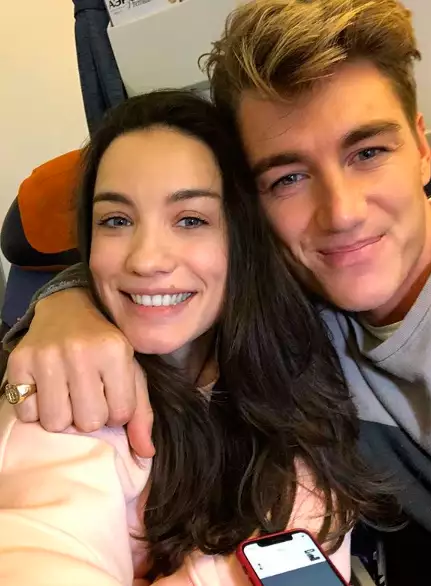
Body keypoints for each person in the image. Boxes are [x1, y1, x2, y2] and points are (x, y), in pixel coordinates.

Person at [3, 0, 431, 582]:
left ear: (424, 151)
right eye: (288, 177)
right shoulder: (294, 324)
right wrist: (65, 307)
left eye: (368, 153)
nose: (342, 213)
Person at [0, 89, 385, 584]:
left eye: (190, 220)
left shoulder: (300, 357)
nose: (146, 259)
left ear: (242, 237)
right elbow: (39, 538)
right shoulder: (69, 396)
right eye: (116, 220)